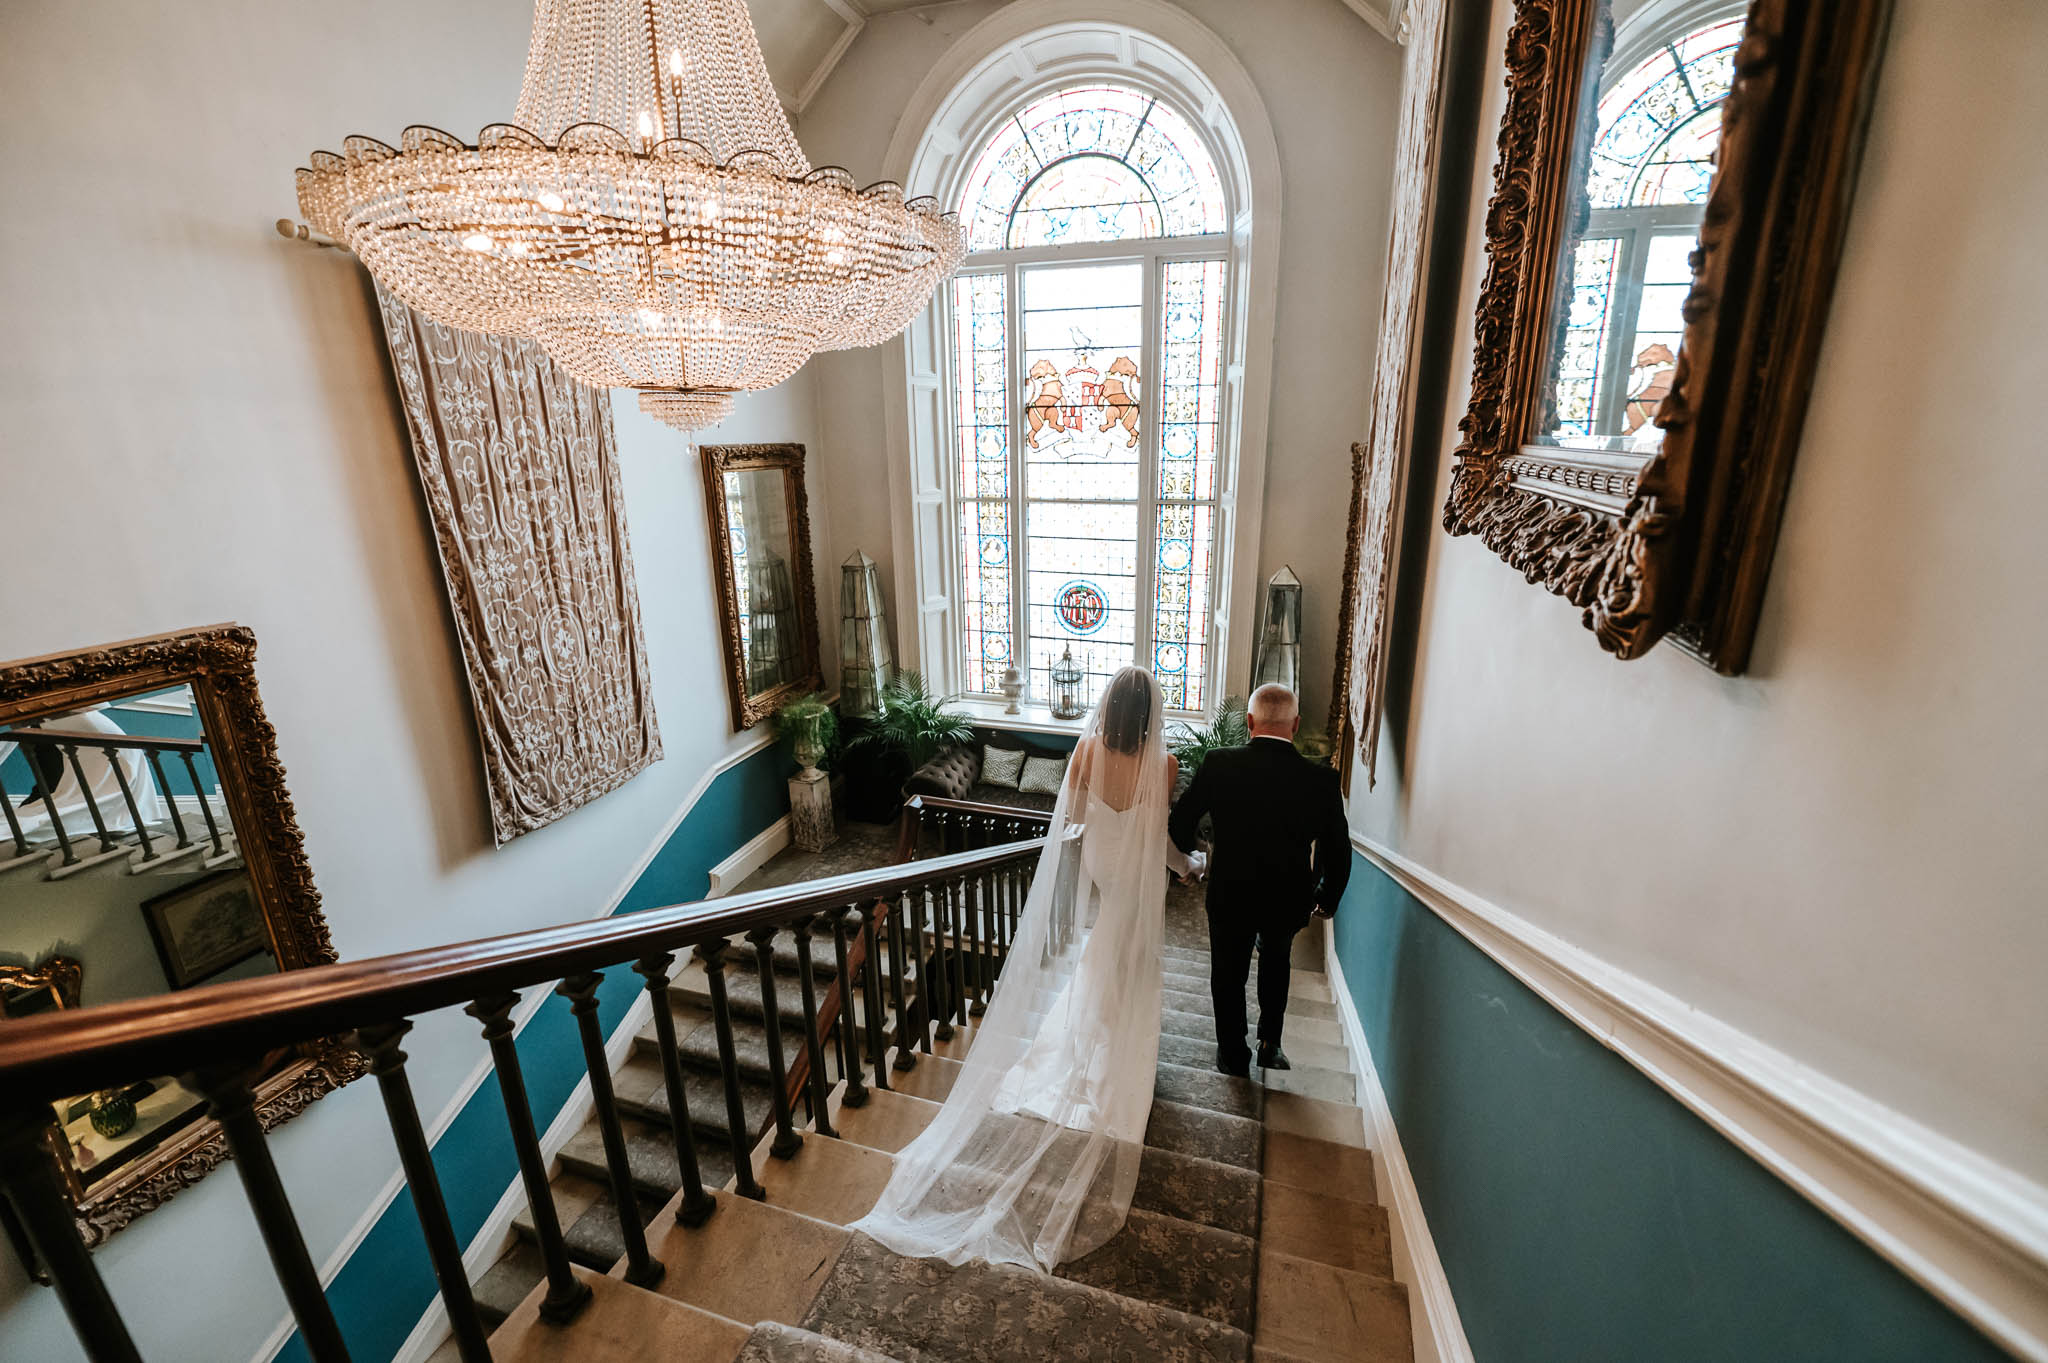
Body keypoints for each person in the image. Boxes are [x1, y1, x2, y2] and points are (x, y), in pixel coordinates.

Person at [853, 667, 1199, 1272]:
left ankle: (1097, 1028)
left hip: (1101, 860)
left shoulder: (1087, 751)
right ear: (1150, 715)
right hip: (1136, 870)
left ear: (1109, 707)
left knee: (1105, 941)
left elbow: (1077, 814)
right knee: (1127, 951)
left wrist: (1109, 827)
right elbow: (1157, 837)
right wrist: (1189, 865)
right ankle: (1115, 1047)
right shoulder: (1162, 765)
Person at [1169, 682, 1349, 1077]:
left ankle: (1234, 1055)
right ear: (1295, 724)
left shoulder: (1219, 763)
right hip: (1288, 895)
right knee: (1276, 959)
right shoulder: (1321, 780)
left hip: (1230, 892)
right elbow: (1338, 847)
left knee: (1228, 973)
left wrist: (1190, 860)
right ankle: (1270, 1043)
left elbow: (1181, 819)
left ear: (1249, 721)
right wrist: (1327, 896)